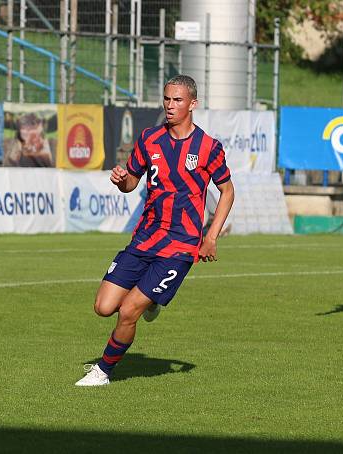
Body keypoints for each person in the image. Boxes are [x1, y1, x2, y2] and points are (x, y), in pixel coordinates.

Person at [75, 75, 235, 387]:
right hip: (146, 237)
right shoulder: (149, 139)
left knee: (128, 311)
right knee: (103, 307)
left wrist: (211, 237)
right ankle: (154, 301)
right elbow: (131, 183)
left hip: (181, 245)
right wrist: (122, 179)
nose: (170, 105)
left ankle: (103, 371)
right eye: (167, 99)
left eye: (177, 100)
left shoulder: (208, 147)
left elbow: (227, 192)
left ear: (192, 104)